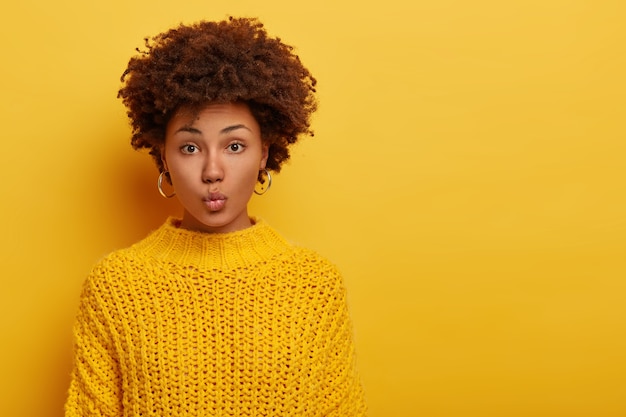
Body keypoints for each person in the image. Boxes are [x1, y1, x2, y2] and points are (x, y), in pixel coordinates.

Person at [64, 17, 366, 416]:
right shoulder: (116, 287)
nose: (212, 170)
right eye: (190, 148)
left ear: (264, 152)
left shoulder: (315, 285)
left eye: (235, 146)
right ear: (163, 157)